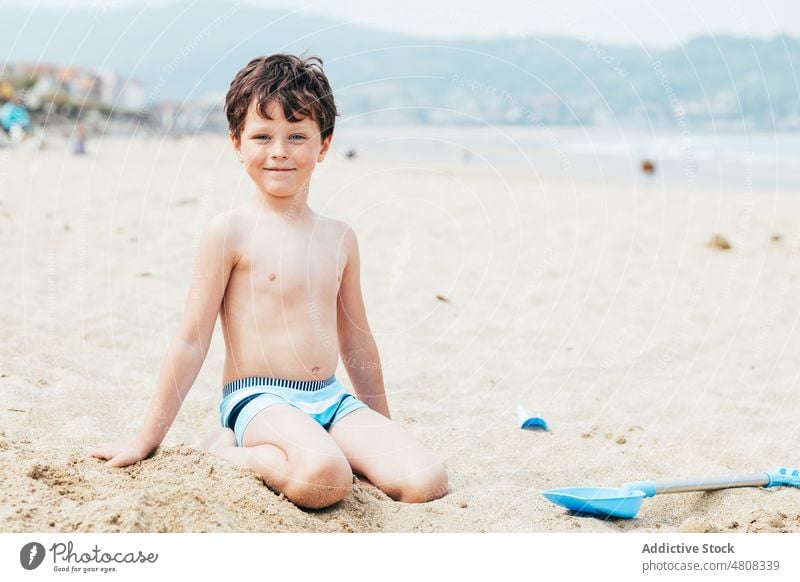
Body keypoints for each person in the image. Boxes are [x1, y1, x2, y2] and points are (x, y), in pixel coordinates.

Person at [89, 54, 448, 509]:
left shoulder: (340, 237)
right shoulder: (229, 232)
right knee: (325, 480)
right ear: (237, 144)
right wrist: (144, 440)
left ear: (324, 145)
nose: (279, 150)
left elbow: (357, 342)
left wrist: (383, 430)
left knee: (425, 480)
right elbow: (190, 341)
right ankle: (224, 450)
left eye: (297, 135)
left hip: (331, 399)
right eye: (262, 136)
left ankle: (328, 448)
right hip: (259, 400)